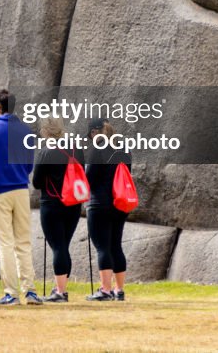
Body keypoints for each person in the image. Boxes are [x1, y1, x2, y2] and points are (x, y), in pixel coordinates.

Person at [0, 89, 41, 306]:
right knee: (23, 241)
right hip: (21, 188)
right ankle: (30, 291)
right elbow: (29, 165)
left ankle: (11, 292)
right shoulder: (26, 131)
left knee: (5, 242)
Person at [31, 117, 84, 303]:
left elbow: (36, 182)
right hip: (74, 205)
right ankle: (61, 287)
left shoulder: (45, 152)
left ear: (45, 131)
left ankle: (60, 293)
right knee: (63, 246)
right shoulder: (76, 150)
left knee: (58, 247)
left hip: (52, 204)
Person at [85, 118, 132, 302]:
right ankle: (119, 290)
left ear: (95, 132)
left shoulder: (98, 148)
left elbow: (90, 178)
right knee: (116, 245)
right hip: (120, 204)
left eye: (90, 135)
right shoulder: (124, 148)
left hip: (100, 204)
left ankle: (105, 290)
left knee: (102, 247)